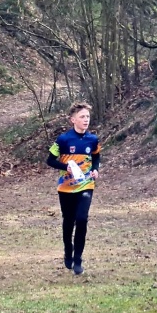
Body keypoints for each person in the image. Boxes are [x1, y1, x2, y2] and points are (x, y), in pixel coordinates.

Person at [46, 102, 100, 275]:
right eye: (82, 117)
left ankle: (78, 259)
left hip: (86, 185)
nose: (86, 120)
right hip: (66, 188)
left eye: (88, 117)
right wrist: (64, 166)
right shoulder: (63, 140)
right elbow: (50, 160)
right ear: (73, 120)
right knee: (69, 221)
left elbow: (96, 156)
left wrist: (95, 169)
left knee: (82, 219)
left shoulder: (93, 140)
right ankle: (68, 251)